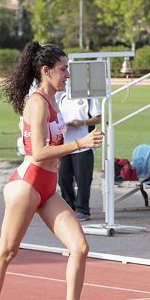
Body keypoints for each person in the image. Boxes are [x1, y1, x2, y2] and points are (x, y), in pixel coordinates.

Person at [0, 42, 106, 300]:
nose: (68, 75)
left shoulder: (53, 101)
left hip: (47, 187)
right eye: (63, 69)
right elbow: (38, 153)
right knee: (7, 251)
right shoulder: (36, 103)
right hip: (28, 184)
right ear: (46, 71)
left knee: (80, 247)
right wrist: (80, 144)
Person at [55, 89, 102, 221]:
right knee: (63, 178)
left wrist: (82, 122)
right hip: (64, 144)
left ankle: (83, 209)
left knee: (83, 180)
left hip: (84, 144)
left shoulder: (88, 95)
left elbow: (98, 118)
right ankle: (68, 207)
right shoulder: (61, 96)